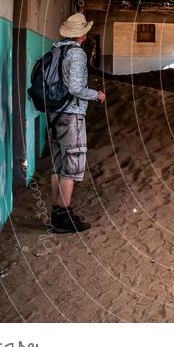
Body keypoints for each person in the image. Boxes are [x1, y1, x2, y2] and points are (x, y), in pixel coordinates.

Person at [49, 13, 105, 233]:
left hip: (54, 113)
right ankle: (63, 215)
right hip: (70, 115)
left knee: (58, 165)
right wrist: (97, 94)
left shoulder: (57, 50)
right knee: (71, 166)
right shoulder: (77, 54)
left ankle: (56, 212)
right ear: (82, 34)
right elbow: (75, 89)